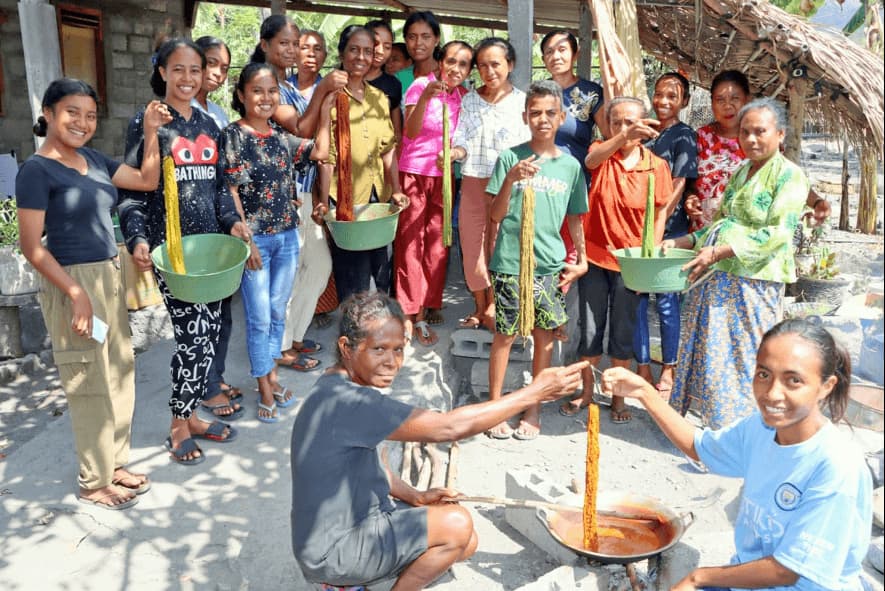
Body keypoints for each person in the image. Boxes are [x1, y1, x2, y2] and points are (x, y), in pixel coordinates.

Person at [290, 291, 588, 589]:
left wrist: (414, 496)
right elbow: (448, 428)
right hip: (333, 550)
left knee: (465, 543)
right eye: (378, 349)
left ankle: (360, 577)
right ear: (347, 347)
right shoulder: (351, 403)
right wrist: (534, 392)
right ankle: (348, 579)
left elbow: (376, 461)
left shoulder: (336, 381)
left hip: (348, 529)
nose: (392, 362)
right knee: (457, 526)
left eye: (398, 349)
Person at [602, 318, 872, 590]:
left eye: (793, 380)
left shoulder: (836, 466)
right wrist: (644, 392)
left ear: (826, 386)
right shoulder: (761, 429)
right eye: (764, 374)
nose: (773, 393)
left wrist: (699, 578)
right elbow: (698, 446)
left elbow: (787, 571)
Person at [15, 79, 170, 509]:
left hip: (108, 275)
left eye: (89, 115)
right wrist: (75, 293)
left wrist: (152, 131)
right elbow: (32, 247)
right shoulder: (36, 170)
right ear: (47, 113)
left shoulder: (93, 159)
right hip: (70, 281)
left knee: (119, 371)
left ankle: (114, 464)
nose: (82, 123)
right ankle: (93, 481)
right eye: (71, 113)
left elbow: (145, 179)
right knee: (88, 379)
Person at [119, 38, 250, 465]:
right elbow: (132, 190)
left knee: (211, 335)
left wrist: (233, 223)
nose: (188, 78)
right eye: (178, 69)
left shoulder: (210, 126)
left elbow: (218, 191)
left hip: (211, 255)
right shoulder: (147, 122)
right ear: (161, 72)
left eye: (196, 69)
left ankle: (191, 413)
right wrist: (137, 238)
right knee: (194, 338)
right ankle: (179, 422)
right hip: (172, 254)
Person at [665, 98, 811, 430]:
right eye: (745, 132)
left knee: (746, 359)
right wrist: (682, 242)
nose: (752, 139)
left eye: (760, 132)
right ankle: (715, 432)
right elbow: (722, 223)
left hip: (754, 284)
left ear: (780, 135)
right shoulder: (743, 170)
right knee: (715, 360)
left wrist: (721, 252)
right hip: (719, 280)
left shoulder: (790, 175)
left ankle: (740, 436)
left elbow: (780, 232)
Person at [558, 97, 674, 424]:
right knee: (591, 330)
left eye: (632, 123)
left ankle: (618, 397)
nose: (625, 128)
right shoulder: (603, 152)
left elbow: (660, 210)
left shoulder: (656, 166)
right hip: (595, 257)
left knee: (622, 334)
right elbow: (592, 161)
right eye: (617, 122)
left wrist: (647, 259)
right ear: (608, 126)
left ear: (646, 125)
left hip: (632, 265)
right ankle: (585, 391)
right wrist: (622, 138)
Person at [484, 80, 589, 440]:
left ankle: (533, 409)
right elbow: (495, 216)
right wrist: (511, 179)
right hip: (511, 261)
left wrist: (582, 258)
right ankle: (495, 408)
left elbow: (575, 216)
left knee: (545, 337)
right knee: (506, 334)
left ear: (561, 117)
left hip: (548, 265)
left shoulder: (571, 167)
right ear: (525, 116)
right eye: (535, 113)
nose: (542, 119)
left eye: (549, 113)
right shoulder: (511, 157)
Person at [222, 63, 327, 423]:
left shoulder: (282, 138)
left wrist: (326, 105)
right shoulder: (234, 135)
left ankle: (272, 377)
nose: (265, 98)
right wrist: (247, 242)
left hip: (287, 236)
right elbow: (232, 191)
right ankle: (265, 388)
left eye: (272, 92)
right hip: (258, 242)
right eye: (257, 91)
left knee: (277, 312)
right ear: (241, 96)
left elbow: (319, 151)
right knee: (259, 318)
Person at [315, 26, 409, 304]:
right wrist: (322, 201)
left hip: (376, 196)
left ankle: (378, 332)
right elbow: (325, 156)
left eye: (368, 51)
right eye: (354, 49)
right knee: (351, 273)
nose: (361, 56)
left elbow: (388, 149)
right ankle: (353, 336)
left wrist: (397, 189)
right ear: (342, 53)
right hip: (342, 198)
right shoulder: (330, 96)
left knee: (381, 269)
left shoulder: (379, 98)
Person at [394, 40, 473, 347]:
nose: (455, 68)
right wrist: (427, 97)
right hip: (414, 172)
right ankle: (407, 313)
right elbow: (410, 133)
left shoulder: (463, 97)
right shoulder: (420, 85)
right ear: (441, 61)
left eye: (463, 64)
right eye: (451, 61)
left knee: (439, 245)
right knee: (410, 244)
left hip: (445, 179)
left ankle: (425, 308)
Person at [448, 37, 531, 330]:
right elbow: (459, 139)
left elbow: (529, 145)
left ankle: (497, 305)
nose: (489, 71)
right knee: (472, 248)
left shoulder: (523, 103)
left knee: (501, 246)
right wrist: (453, 153)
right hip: (473, 182)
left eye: (495, 64)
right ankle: (479, 307)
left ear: (510, 65)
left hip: (509, 186)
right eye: (482, 65)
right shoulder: (469, 100)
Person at [686, 70, 830, 232]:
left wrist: (817, 202)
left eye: (735, 98)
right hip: (703, 234)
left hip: (749, 238)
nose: (727, 106)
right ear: (711, 103)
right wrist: (690, 197)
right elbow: (690, 182)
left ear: (747, 100)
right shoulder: (700, 138)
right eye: (720, 100)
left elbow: (784, 176)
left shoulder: (763, 144)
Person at [633, 72, 698, 397]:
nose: (664, 101)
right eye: (659, 94)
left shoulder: (684, 135)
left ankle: (668, 368)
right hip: (635, 229)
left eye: (673, 96)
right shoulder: (644, 130)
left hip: (670, 230)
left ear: (684, 101)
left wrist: (658, 225)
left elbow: (679, 183)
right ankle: (643, 365)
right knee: (636, 300)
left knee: (668, 303)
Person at [191, 35, 243, 419]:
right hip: (193, 229)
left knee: (222, 309)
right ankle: (204, 389)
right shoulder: (176, 114)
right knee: (201, 313)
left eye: (224, 68)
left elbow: (224, 177)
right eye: (211, 63)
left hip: (219, 221)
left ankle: (215, 377)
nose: (217, 73)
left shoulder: (218, 115)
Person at [278, 29, 331, 373]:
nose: (310, 53)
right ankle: (282, 347)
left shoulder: (330, 85)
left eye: (318, 48)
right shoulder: (280, 89)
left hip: (310, 193)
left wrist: (322, 198)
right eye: (304, 47)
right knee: (291, 273)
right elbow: (300, 132)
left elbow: (327, 150)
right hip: (283, 193)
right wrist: (323, 96)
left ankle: (296, 335)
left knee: (320, 266)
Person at [250, 14, 345, 140]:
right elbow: (300, 131)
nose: (291, 50)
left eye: (295, 44)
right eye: (284, 43)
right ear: (264, 45)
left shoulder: (287, 86)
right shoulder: (264, 85)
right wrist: (322, 88)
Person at [539, 30, 606, 181]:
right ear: (544, 59)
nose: (556, 57)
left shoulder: (591, 93)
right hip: (539, 179)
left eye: (562, 50)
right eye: (549, 52)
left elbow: (609, 133)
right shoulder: (536, 93)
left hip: (576, 179)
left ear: (575, 54)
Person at [364, 20, 404, 149]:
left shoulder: (393, 85)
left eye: (387, 47)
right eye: (376, 44)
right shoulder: (344, 79)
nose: (380, 51)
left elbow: (396, 132)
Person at [394, 11, 441, 95]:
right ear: (405, 40)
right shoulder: (400, 78)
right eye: (412, 37)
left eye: (425, 37)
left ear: (437, 40)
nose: (418, 42)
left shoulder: (449, 75)